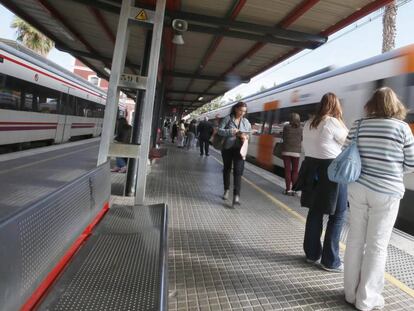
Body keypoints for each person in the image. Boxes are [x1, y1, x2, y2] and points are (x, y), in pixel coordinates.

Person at [343, 87, 414, 311]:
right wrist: (391, 171)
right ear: (395, 105)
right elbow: (412, 164)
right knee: (377, 246)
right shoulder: (403, 128)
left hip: (357, 188)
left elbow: (345, 154)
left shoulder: (358, 124)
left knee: (354, 241)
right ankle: (366, 300)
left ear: (371, 105)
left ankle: (349, 293)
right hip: (386, 192)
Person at [296, 92, 348, 272]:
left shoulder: (309, 123)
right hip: (331, 171)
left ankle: (311, 254)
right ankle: (330, 261)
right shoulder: (332, 122)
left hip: (311, 169)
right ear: (336, 106)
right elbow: (347, 142)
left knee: (315, 211)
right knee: (338, 214)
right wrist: (341, 121)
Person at [218, 101, 251, 207]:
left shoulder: (246, 122)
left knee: (238, 171)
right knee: (227, 169)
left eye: (244, 111)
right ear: (236, 109)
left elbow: (249, 134)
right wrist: (231, 132)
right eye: (241, 110)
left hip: (240, 149)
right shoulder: (227, 118)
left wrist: (245, 136)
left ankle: (236, 196)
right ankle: (226, 190)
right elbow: (219, 131)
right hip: (227, 148)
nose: (242, 113)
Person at [281, 113, 303, 195]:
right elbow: (301, 139)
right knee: (295, 171)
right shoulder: (301, 129)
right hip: (296, 152)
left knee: (287, 170)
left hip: (286, 151)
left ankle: (288, 190)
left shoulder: (286, 127)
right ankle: (294, 190)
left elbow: (283, 137)